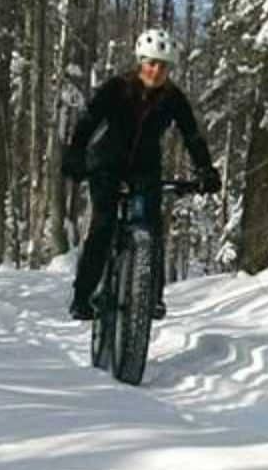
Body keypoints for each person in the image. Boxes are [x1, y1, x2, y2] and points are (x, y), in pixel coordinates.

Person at [62, 29, 222, 321]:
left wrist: (205, 169)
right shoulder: (117, 88)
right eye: (151, 63)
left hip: (145, 167)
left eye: (163, 66)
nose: (157, 71)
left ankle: (152, 297)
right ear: (140, 62)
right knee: (103, 225)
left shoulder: (173, 98)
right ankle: (82, 296)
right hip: (106, 162)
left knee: (151, 227)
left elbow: (192, 135)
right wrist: (75, 155)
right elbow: (88, 121)